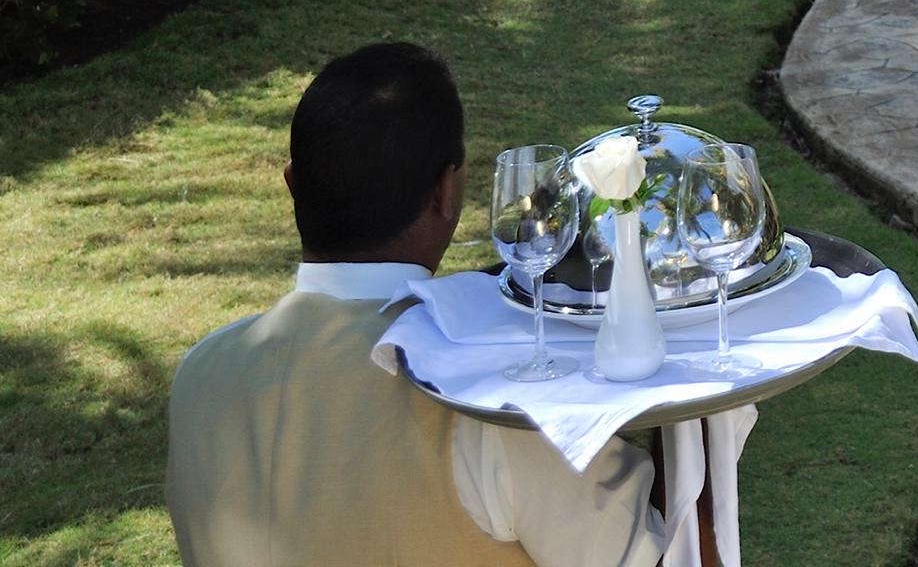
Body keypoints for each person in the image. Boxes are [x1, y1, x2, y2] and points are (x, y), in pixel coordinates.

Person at [167, 42, 667, 567]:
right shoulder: (482, 394)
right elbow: (650, 553)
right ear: (446, 193)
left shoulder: (198, 373)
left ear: (292, 185)